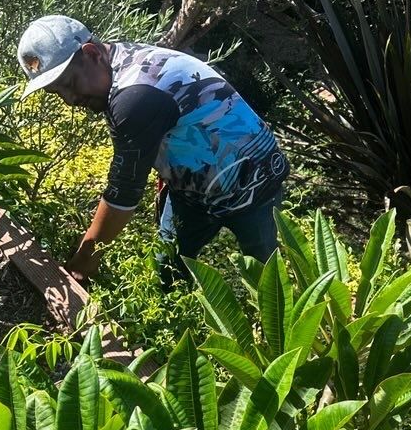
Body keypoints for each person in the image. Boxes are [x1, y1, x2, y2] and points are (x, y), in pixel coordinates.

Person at [17, 15, 289, 282]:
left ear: (92, 54)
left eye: (70, 84)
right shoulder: (117, 62)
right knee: (167, 268)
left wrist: (86, 257)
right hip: (192, 188)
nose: (70, 99)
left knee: (268, 279)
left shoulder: (136, 95)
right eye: (56, 92)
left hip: (253, 180)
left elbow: (123, 191)